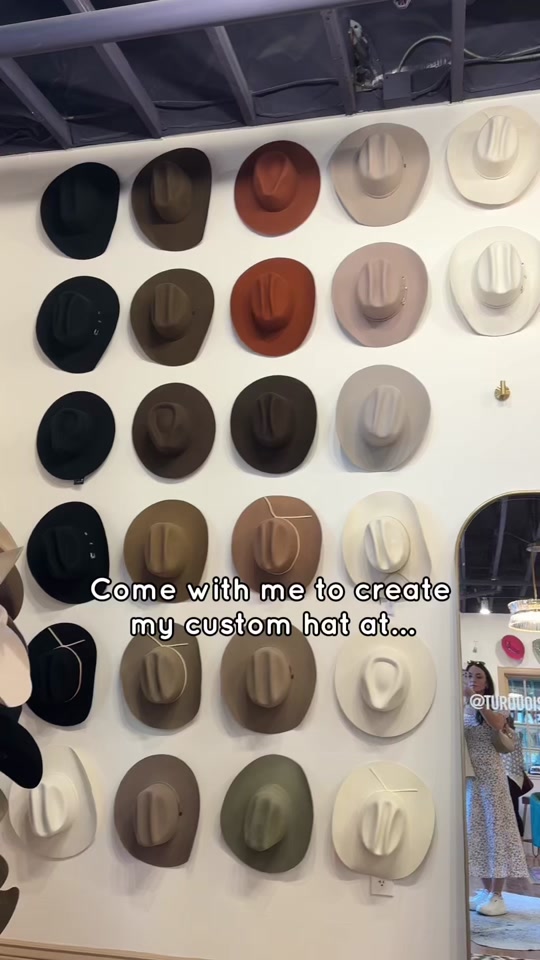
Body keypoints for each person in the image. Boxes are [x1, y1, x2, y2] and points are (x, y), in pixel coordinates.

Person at [464, 661, 529, 917]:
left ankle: (497, 894)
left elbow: (497, 724)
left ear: (487, 681)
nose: (473, 679)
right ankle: (485, 890)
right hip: (471, 779)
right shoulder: (462, 708)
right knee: (477, 833)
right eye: (468, 675)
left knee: (496, 832)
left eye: (478, 676)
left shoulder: (494, 703)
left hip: (492, 777)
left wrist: (475, 699)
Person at [502, 715, 526, 837]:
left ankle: (518, 838)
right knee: (513, 810)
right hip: (515, 777)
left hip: (510, 776)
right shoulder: (513, 734)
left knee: (512, 811)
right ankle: (519, 838)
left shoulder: (509, 734)